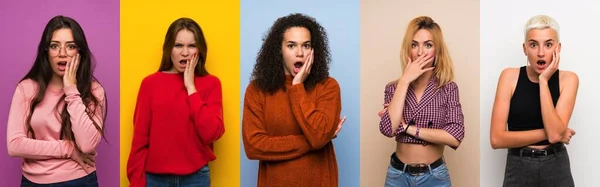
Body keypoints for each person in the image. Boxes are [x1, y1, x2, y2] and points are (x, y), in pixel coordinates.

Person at [242, 13, 345, 187]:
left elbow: (319, 136)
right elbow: (254, 146)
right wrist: (312, 141)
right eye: (291, 46)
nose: (299, 53)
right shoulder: (257, 90)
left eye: (306, 45)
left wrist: (297, 87)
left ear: (313, 50)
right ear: (279, 50)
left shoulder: (328, 87)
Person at [7, 15, 105, 186]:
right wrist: (69, 150)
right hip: (33, 181)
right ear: (46, 51)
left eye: (70, 46)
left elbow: (87, 145)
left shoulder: (94, 91)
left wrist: (71, 90)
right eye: (54, 46)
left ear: (79, 52)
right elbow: (14, 145)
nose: (62, 53)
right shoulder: (27, 88)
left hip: (79, 180)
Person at [126, 17, 225, 187]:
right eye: (178, 45)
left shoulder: (211, 83)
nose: (185, 53)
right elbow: (140, 141)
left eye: (191, 46)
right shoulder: (150, 84)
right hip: (155, 179)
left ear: (199, 50)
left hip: (196, 178)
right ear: (168, 49)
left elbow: (212, 133)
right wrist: (136, 182)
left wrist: (191, 87)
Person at [490, 15, 577, 187]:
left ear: (558, 48)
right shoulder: (509, 77)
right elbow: (497, 139)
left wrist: (544, 81)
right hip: (518, 165)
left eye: (548, 44)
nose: (541, 52)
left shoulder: (569, 79)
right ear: (525, 48)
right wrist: (556, 133)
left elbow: (554, 135)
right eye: (533, 44)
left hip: (556, 166)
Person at [378, 16, 465, 187]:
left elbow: (455, 136)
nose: (420, 52)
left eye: (428, 45)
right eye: (414, 44)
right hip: (397, 176)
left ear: (437, 50)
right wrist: (404, 81)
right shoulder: (393, 88)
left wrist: (408, 128)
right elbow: (388, 129)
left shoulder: (448, 88)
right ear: (408, 50)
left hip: (435, 176)